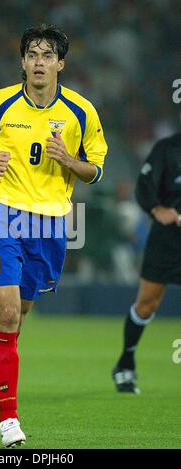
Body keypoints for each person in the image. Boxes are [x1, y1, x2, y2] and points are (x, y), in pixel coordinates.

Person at [0, 23, 108, 447]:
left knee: (17, 319)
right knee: (6, 313)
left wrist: (71, 160)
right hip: (1, 212)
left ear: (61, 63)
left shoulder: (81, 112)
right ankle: (9, 420)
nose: (38, 62)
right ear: (22, 62)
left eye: (47, 55)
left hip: (48, 222)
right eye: (31, 55)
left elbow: (96, 169)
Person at [112, 129, 181, 394]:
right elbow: (144, 186)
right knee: (146, 304)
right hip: (167, 240)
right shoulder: (167, 149)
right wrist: (156, 209)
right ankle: (125, 362)